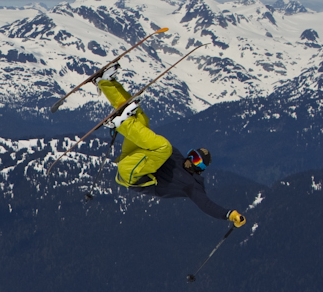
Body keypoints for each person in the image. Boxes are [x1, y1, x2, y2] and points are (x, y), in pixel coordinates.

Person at [96, 66, 247, 226]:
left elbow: (206, 205)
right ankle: (106, 83)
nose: (191, 160)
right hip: (133, 160)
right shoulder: (177, 158)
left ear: (200, 168)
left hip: (132, 176)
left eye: (196, 161)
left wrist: (229, 215)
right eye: (193, 155)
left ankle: (121, 123)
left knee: (165, 147)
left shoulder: (192, 186)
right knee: (142, 119)